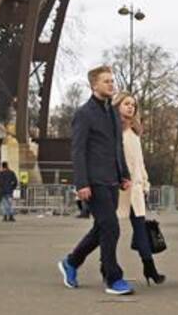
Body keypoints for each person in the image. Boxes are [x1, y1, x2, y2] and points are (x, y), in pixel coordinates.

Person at [57, 65, 134, 296]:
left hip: (111, 179)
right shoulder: (84, 114)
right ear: (94, 85)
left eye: (112, 81)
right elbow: (78, 150)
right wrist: (81, 183)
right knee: (111, 227)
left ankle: (71, 262)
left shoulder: (112, 112)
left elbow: (116, 146)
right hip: (94, 180)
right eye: (106, 81)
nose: (111, 84)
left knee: (101, 228)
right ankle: (113, 277)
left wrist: (124, 174)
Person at [113, 93, 164, 285]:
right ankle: (103, 265)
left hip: (135, 188)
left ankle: (149, 267)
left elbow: (139, 162)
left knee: (141, 229)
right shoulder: (114, 132)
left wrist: (145, 182)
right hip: (119, 188)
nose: (130, 108)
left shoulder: (134, 132)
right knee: (106, 230)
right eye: (126, 104)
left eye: (133, 105)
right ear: (117, 106)